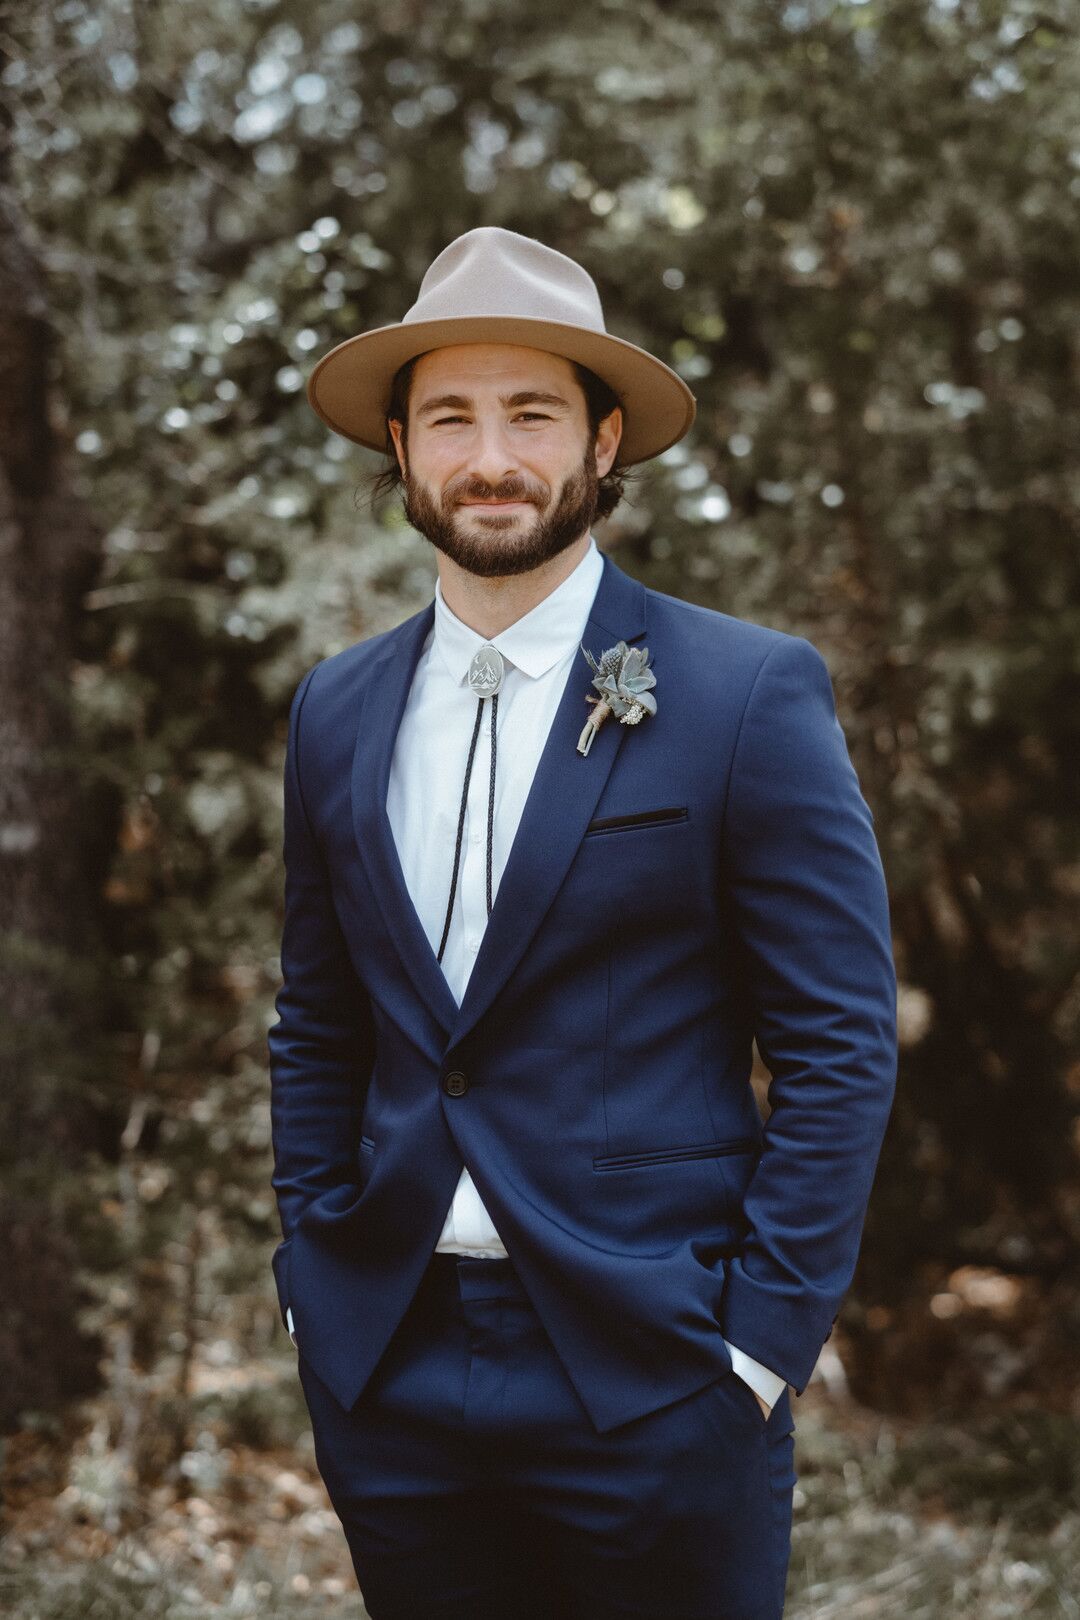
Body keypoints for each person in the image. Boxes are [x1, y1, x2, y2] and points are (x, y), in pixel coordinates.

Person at [268, 226, 897, 1620]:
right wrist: (314, 1279)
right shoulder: (335, 711)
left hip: (658, 1369)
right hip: (392, 1367)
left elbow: (840, 1045)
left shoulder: (745, 696)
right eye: (452, 417)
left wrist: (756, 1348)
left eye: (532, 413)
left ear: (606, 442)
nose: (492, 456)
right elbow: (318, 1016)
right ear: (401, 445)